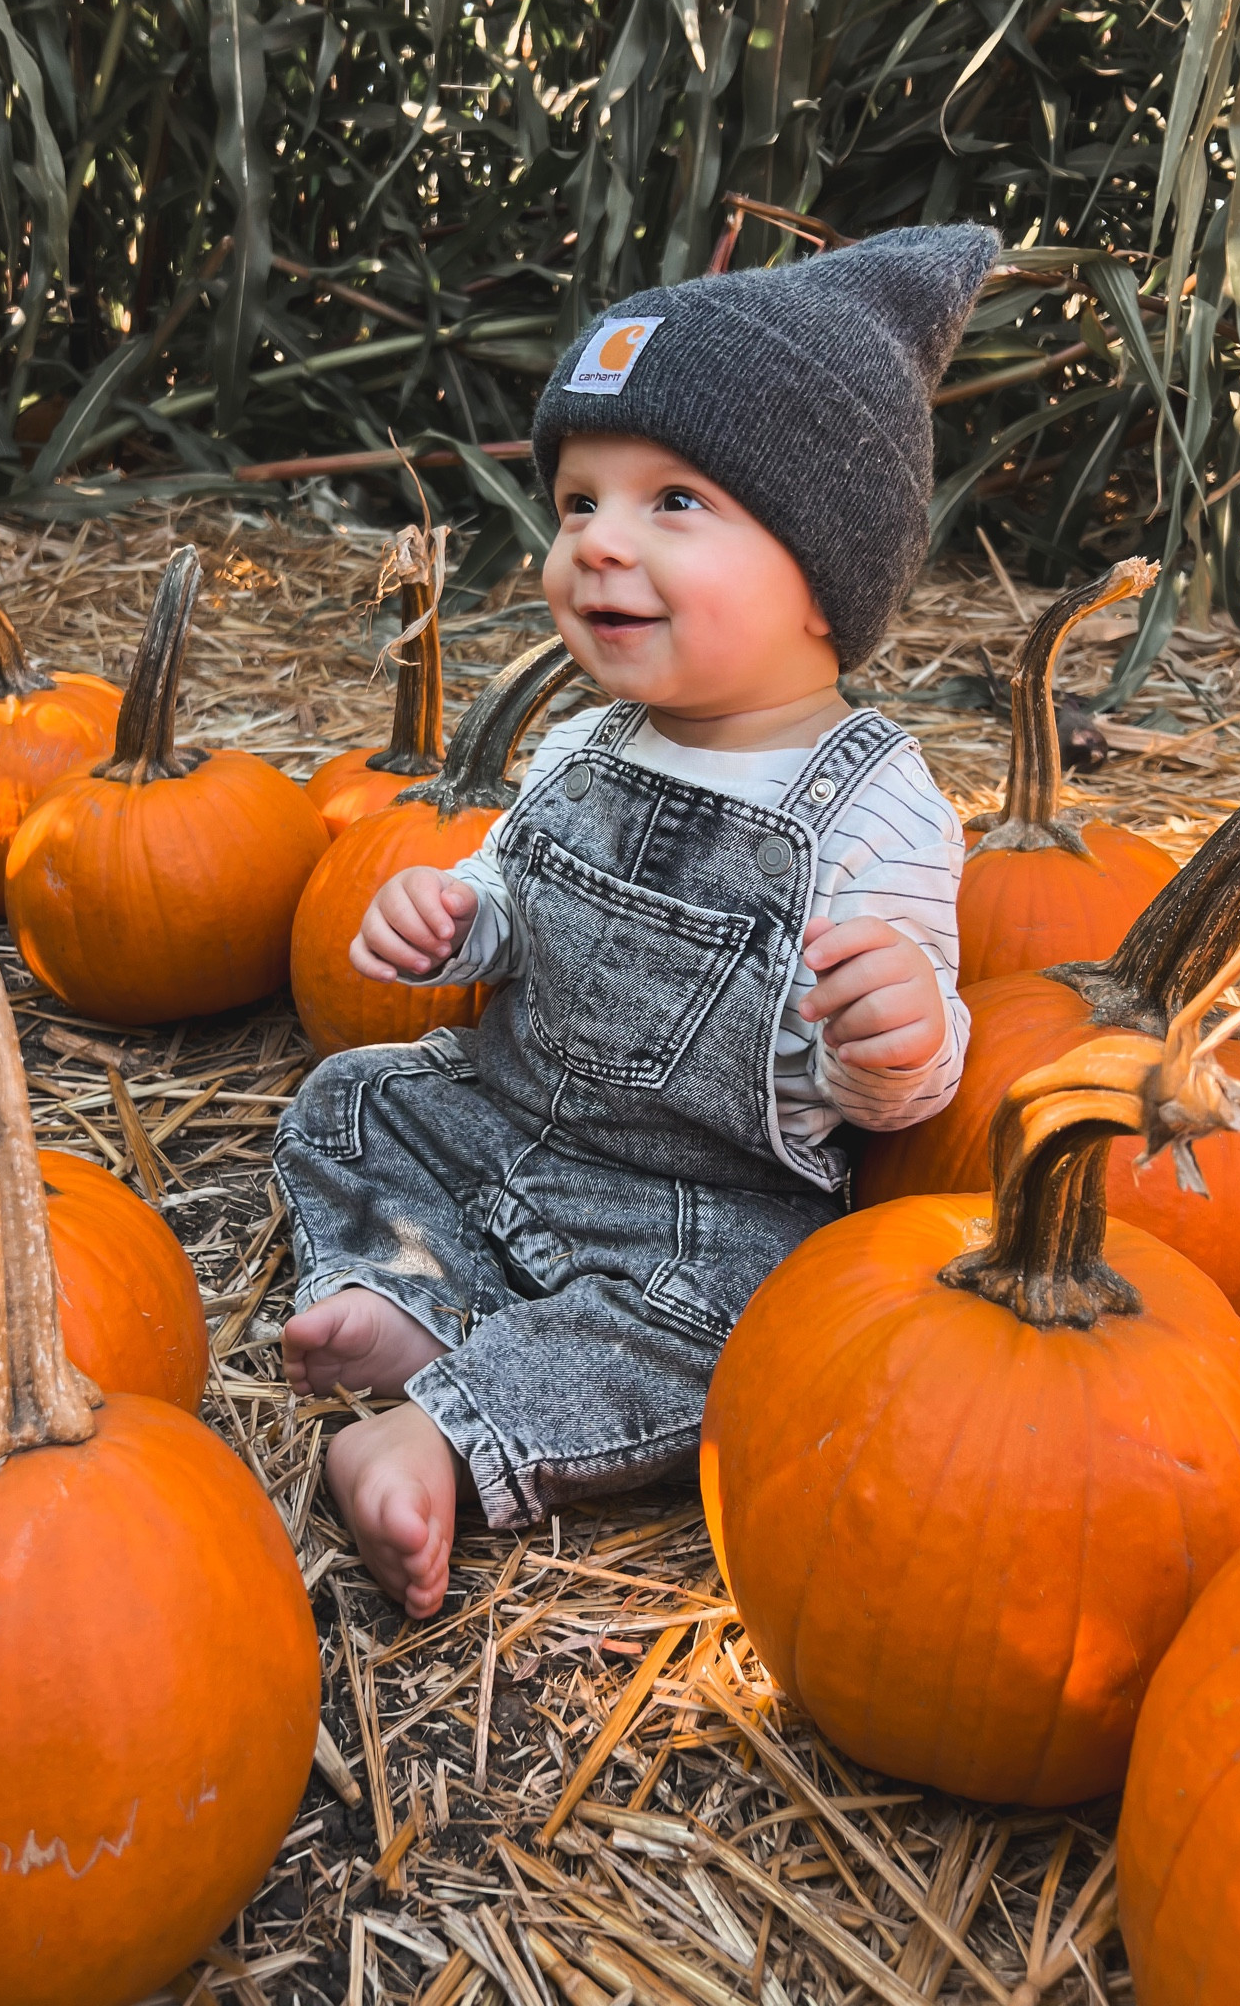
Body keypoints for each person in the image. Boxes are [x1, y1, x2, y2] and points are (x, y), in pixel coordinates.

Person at [276, 225, 998, 1617]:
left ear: (823, 577)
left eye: (673, 502)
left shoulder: (878, 806)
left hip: (704, 1213)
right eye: (577, 501)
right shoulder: (586, 745)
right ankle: (400, 1295)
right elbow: (514, 889)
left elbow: (903, 1078)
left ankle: (446, 1431)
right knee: (351, 1100)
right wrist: (454, 918)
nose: (598, 541)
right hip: (502, 1119)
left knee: (747, 1331)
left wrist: (900, 1031)